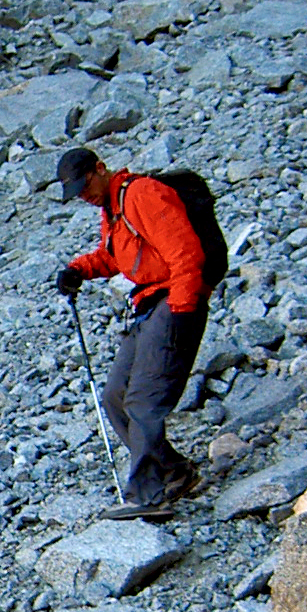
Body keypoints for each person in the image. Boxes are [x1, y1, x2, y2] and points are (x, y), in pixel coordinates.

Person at [51, 146, 206, 515]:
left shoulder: (142, 194)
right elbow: (116, 256)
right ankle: (174, 472)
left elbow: (187, 254)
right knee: (116, 395)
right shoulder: (114, 208)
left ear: (100, 169)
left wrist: (181, 311)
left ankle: (148, 496)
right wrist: (79, 269)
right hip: (149, 307)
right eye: (78, 194)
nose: (84, 198)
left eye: (85, 186)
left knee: (143, 400)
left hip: (172, 303)